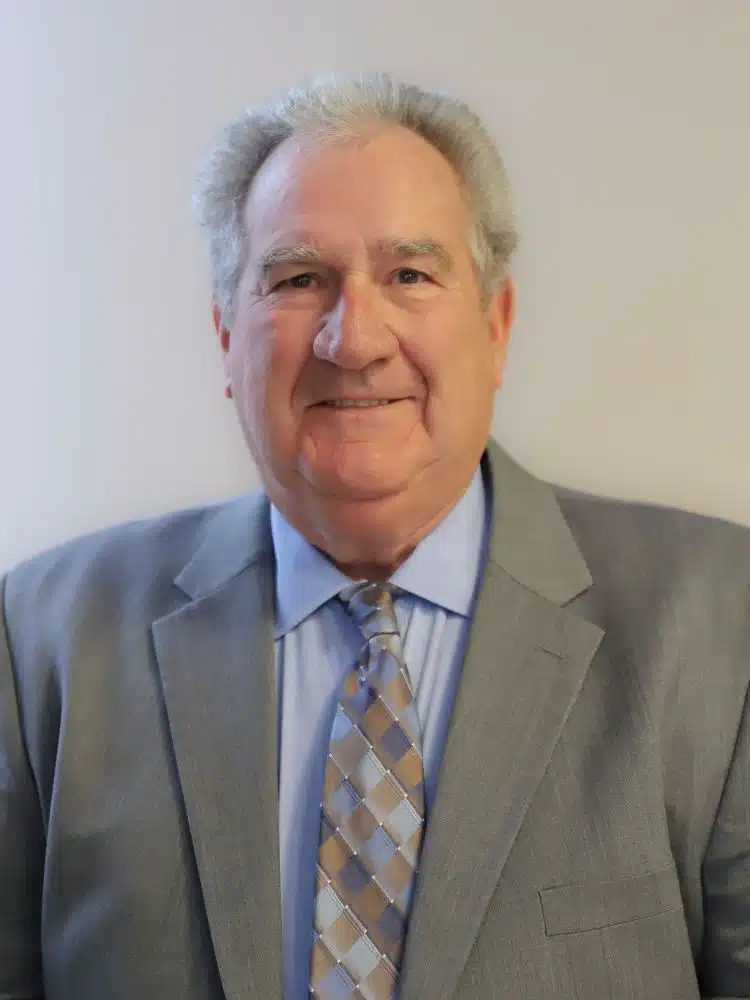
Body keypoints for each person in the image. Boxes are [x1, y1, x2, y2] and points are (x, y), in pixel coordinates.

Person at [1, 71, 749, 1000]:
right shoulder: (44, 641)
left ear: (496, 325)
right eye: (298, 280)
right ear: (225, 334)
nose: (353, 339)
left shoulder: (721, 622)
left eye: (410, 275)